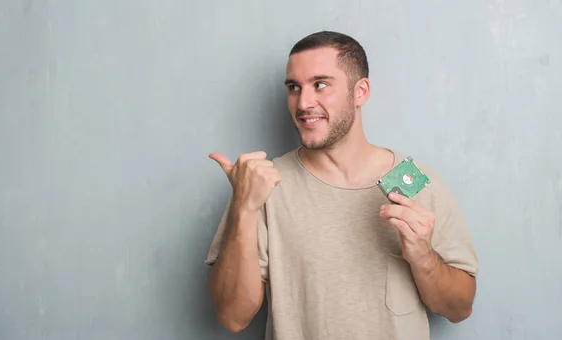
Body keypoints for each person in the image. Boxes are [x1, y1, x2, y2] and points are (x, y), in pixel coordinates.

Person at [204, 30, 479, 340]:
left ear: (360, 92)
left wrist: (423, 256)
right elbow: (232, 317)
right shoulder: (263, 185)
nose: (303, 102)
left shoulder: (412, 179)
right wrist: (243, 207)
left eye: (320, 85)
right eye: (294, 87)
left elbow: (460, 308)